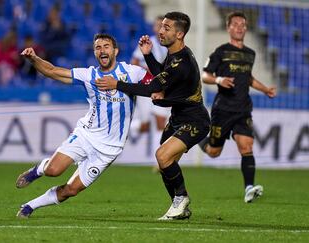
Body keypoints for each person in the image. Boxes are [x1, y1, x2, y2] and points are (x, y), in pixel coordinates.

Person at [16, 33, 153, 218]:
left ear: (115, 51)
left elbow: (157, 85)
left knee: (71, 190)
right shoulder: (89, 75)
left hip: (110, 148)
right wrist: (33, 58)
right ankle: (38, 170)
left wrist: (148, 58)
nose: (102, 50)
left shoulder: (133, 72)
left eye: (106, 46)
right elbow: (53, 71)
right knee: (53, 171)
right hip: (86, 135)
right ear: (95, 53)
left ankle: (30, 206)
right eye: (98, 47)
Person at [96, 12, 210, 220]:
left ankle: (181, 198)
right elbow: (162, 77)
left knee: (163, 156)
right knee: (164, 162)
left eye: (167, 28)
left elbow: (153, 87)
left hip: (195, 120)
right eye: (161, 26)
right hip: (178, 118)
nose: (160, 31)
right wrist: (148, 55)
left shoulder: (182, 62)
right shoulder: (175, 54)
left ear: (180, 33)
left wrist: (117, 84)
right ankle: (179, 206)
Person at [199, 12, 276, 203]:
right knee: (214, 152)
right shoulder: (220, 52)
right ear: (228, 28)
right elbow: (205, 75)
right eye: (236, 24)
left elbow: (248, 78)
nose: (240, 27)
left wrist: (265, 89)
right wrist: (219, 79)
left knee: (246, 145)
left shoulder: (250, 53)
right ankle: (199, 139)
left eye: (243, 24)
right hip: (222, 109)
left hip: (243, 109)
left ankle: (249, 188)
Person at [130, 16, 170, 164]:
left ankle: (159, 159)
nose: (161, 29)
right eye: (158, 25)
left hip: (162, 89)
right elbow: (133, 63)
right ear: (154, 28)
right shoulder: (147, 43)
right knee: (145, 125)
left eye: (164, 26)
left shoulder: (169, 46)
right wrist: (148, 69)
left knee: (161, 123)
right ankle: (130, 127)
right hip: (147, 88)